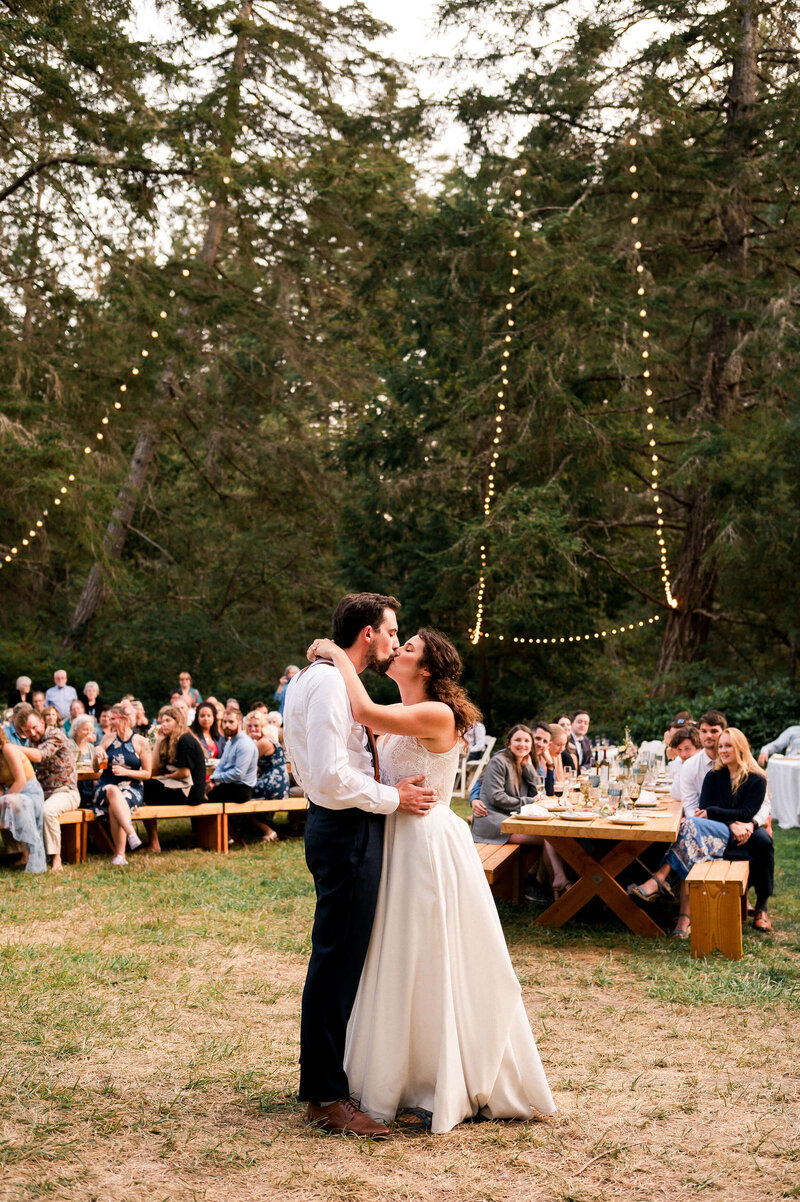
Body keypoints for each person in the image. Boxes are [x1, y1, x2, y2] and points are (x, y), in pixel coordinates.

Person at [307, 622, 556, 1135]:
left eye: (409, 647)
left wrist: (334, 651)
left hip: (425, 845)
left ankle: (433, 1079)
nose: (397, 648)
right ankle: (388, 1069)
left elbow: (363, 712)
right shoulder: (403, 712)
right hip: (392, 835)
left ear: (426, 668)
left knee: (428, 954)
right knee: (393, 953)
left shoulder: (435, 712)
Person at [284, 592, 438, 1138]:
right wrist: (393, 797)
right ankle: (326, 1096)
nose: (395, 641)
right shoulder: (325, 682)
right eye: (391, 631)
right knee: (336, 963)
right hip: (345, 828)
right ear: (368, 633)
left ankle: (327, 1081)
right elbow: (328, 776)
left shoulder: (316, 677)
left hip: (339, 826)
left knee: (340, 959)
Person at [629, 729, 771, 937]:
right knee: (691, 827)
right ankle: (668, 893)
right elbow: (702, 808)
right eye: (721, 746)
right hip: (717, 834)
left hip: (740, 839)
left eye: (728, 746)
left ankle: (660, 878)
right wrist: (725, 818)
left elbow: (745, 812)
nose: (723, 750)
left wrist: (714, 812)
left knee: (690, 826)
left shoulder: (756, 779)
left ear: (740, 747)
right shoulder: (714, 775)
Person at [472, 725, 568, 900]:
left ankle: (545, 883)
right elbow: (497, 798)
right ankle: (557, 880)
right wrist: (531, 801)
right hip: (492, 822)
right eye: (518, 740)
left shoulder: (522, 761)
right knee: (548, 836)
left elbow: (534, 790)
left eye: (526, 741)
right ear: (509, 742)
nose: (522, 744)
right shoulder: (499, 762)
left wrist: (529, 766)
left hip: (511, 819)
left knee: (551, 834)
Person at [15, 703, 80, 873]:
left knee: (47, 811)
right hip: (42, 793)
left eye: (34, 728)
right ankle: (26, 854)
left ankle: (56, 860)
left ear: (42, 722)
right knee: (15, 804)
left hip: (66, 791)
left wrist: (12, 748)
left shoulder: (55, 735)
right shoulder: (31, 741)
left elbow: (39, 756)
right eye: (27, 731)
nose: (32, 733)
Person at [88, 703, 152, 867]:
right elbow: (97, 769)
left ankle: (120, 855)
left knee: (115, 804)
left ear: (123, 719)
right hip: (106, 785)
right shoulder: (107, 739)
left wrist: (127, 772)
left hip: (132, 787)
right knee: (113, 791)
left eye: (112, 719)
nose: (109, 722)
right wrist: (97, 755)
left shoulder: (141, 742)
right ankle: (131, 833)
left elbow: (147, 773)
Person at [141, 706, 207, 852]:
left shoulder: (185, 739)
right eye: (162, 721)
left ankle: (154, 843)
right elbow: (155, 765)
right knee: (145, 788)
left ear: (177, 722)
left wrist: (166, 777)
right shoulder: (169, 739)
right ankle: (153, 842)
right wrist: (158, 741)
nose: (163, 724)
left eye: (167, 721)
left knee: (146, 788)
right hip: (179, 786)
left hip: (191, 792)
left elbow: (184, 772)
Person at [0, 725, 46, 872]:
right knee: (7, 801)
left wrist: (3, 800)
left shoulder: (8, 749)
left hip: (29, 792)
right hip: (12, 793)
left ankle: (29, 855)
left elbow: (20, 781)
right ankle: (19, 853)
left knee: (9, 802)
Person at [244, 709, 290, 843]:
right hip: (279, 784)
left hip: (272, 784)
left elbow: (247, 765)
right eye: (250, 726)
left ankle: (267, 831)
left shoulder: (262, 742)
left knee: (240, 795)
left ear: (263, 726)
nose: (253, 729)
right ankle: (261, 829)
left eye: (256, 726)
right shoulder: (269, 738)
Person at [206, 708, 258, 804]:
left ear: (239, 723)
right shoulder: (230, 742)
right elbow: (221, 765)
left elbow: (238, 773)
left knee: (204, 798)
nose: (226, 725)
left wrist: (215, 779)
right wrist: (212, 781)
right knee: (200, 793)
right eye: (224, 722)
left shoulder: (244, 743)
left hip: (242, 788)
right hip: (230, 785)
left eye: (231, 722)